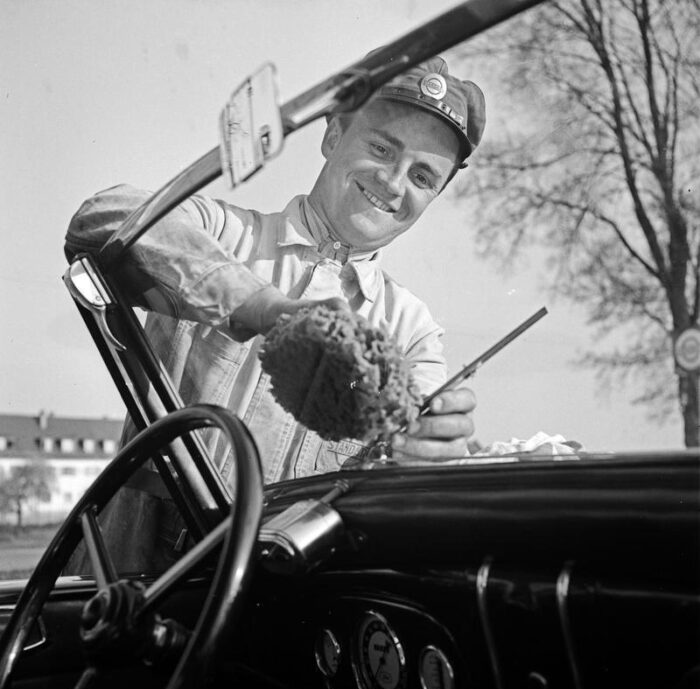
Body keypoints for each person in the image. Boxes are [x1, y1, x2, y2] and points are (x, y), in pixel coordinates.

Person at [65, 56, 485, 570]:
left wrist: (431, 450)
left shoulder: (413, 330)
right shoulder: (223, 233)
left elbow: (412, 468)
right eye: (380, 148)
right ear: (332, 136)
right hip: (139, 580)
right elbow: (102, 219)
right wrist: (269, 311)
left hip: (286, 599)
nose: (395, 184)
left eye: (422, 176)